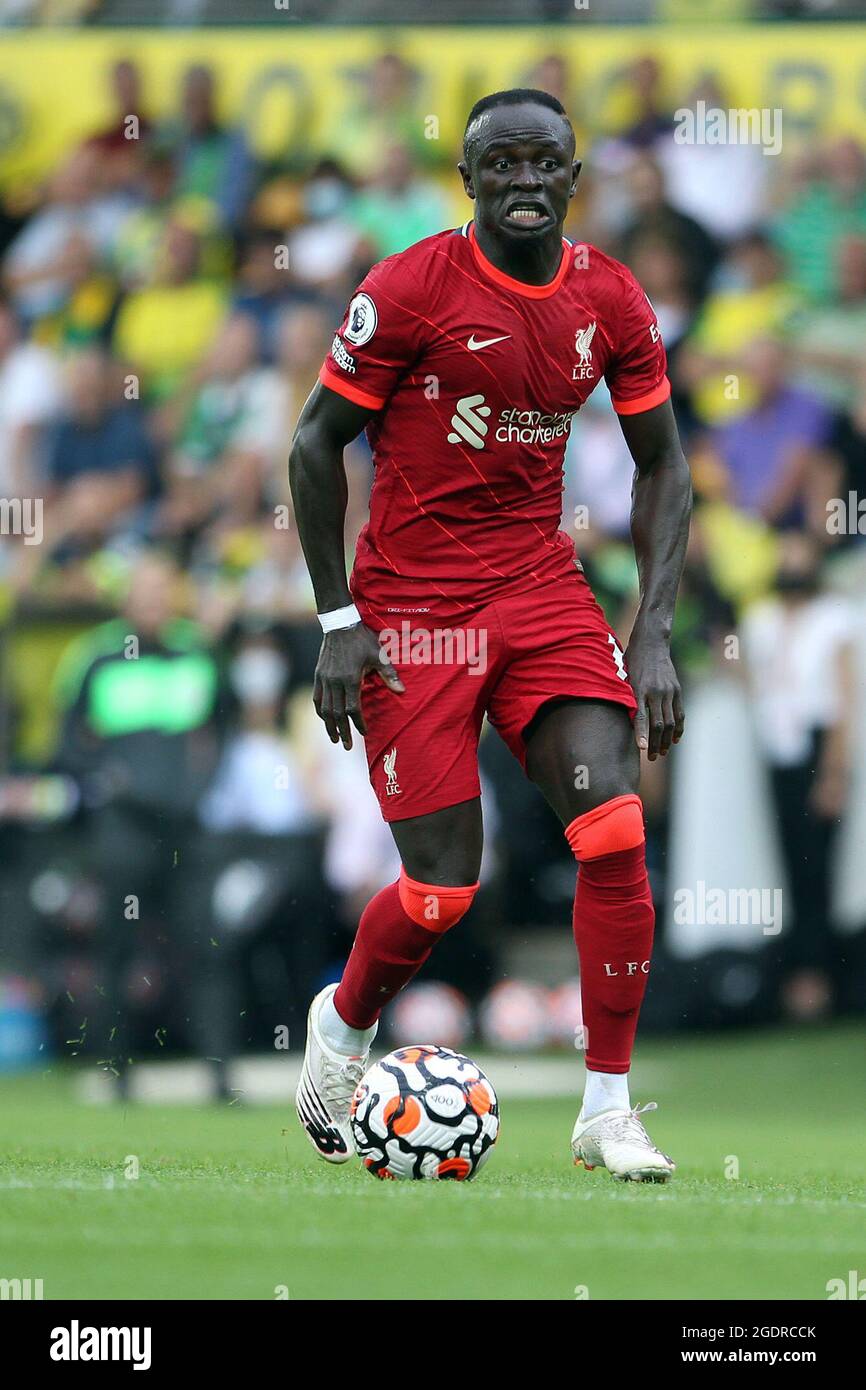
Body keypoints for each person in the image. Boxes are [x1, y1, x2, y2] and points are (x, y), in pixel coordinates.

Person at [289, 89, 692, 1180]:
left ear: (574, 176)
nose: (523, 180)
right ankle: (346, 1016)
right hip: (412, 613)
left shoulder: (607, 296)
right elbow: (313, 447)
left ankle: (606, 1103)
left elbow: (663, 464)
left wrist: (648, 633)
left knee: (610, 825)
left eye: (542, 162)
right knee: (439, 891)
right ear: (467, 180)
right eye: (499, 163)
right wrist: (338, 623)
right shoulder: (409, 286)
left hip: (536, 588)